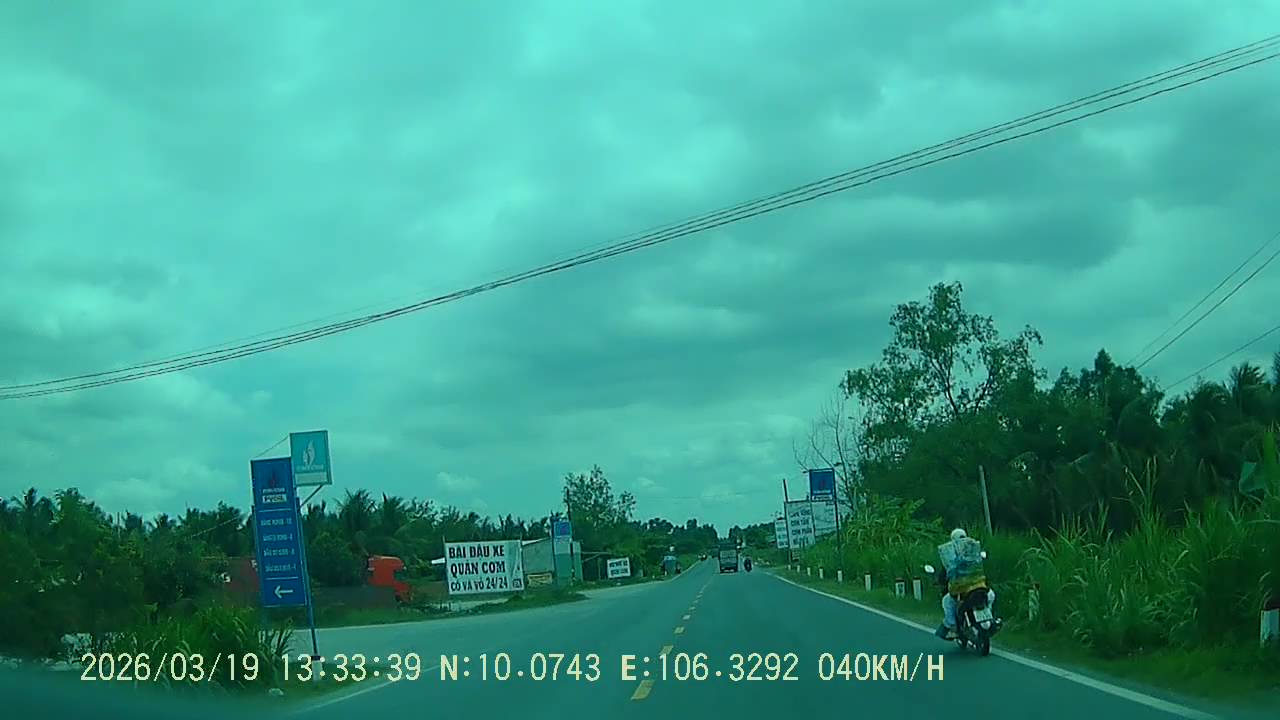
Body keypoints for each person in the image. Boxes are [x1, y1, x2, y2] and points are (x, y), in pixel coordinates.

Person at [934, 528, 996, 639]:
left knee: (947, 602)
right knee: (991, 595)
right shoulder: (974, 553)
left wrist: (940, 580)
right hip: (980, 587)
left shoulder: (951, 558)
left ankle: (953, 627)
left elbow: (944, 574)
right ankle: (991, 618)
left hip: (962, 590)